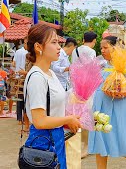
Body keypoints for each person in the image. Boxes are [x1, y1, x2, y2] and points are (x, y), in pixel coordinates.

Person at [23, 24, 81, 169]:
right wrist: (68, 119)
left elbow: (54, 108)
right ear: (38, 47)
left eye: (58, 43)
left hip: (55, 137)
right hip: (43, 141)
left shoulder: (51, 73)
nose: (59, 47)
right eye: (54, 42)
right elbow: (39, 121)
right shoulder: (37, 77)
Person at [88, 36, 126, 169]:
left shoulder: (123, 66)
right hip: (100, 109)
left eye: (105, 47)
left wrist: (122, 93)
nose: (102, 50)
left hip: (118, 108)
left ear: (115, 48)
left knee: (122, 139)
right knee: (101, 140)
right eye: (101, 48)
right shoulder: (101, 66)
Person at [71, 31, 97, 158]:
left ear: (83, 39)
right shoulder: (91, 52)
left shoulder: (75, 50)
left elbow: (73, 68)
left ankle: (79, 144)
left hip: (76, 87)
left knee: (78, 115)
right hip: (87, 87)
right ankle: (86, 146)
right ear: (94, 41)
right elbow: (92, 69)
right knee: (88, 114)